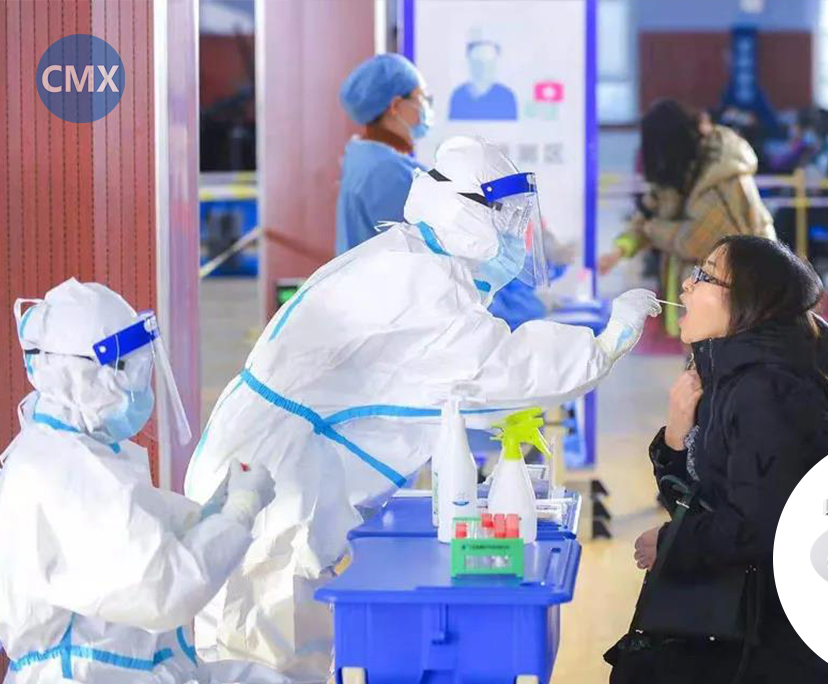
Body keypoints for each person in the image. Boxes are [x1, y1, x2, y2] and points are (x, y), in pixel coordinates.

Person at [185, 136, 661, 682]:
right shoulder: (421, 282)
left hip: (277, 470)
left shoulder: (414, 258)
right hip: (272, 488)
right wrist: (606, 343)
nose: (516, 233)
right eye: (506, 217)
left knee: (289, 653)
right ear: (468, 212)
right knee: (263, 657)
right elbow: (499, 369)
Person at [606, 236, 828, 684]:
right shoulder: (727, 377)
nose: (686, 285)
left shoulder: (769, 392)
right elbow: (702, 502)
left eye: (705, 276)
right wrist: (676, 433)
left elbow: (761, 529)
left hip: (795, 633)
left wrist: (670, 543)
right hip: (754, 604)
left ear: (750, 302)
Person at [0, 279, 283, 684]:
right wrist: (238, 511)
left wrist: (216, 510)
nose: (139, 384)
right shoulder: (66, 470)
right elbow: (166, 587)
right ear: (76, 374)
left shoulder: (78, 452)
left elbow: (154, 532)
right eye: (124, 369)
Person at [599, 100, 776, 338]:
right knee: (700, 355)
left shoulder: (722, 177)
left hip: (741, 294)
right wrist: (619, 251)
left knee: (721, 356)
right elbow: (650, 211)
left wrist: (652, 229)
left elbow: (695, 242)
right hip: (710, 297)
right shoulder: (682, 168)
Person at [336, 53, 432, 255]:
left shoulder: (365, 156)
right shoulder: (386, 172)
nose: (425, 106)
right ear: (395, 106)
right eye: (421, 98)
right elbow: (425, 250)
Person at [448, 27, 518, 121]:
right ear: (470, 62)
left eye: (488, 63)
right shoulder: (458, 96)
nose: (484, 69)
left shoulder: (506, 98)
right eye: (479, 62)